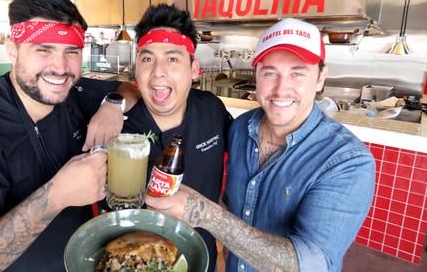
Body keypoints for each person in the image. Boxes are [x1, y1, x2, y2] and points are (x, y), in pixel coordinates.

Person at [0, 0, 139, 271]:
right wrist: (56, 196)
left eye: (71, 52)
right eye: (43, 50)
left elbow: (129, 87)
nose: (60, 68)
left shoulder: (73, 95)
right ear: (12, 49)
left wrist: (113, 105)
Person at [147, 18, 375, 271]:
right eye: (270, 72)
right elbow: (233, 206)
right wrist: (116, 99)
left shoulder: (348, 161)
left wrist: (205, 214)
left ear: (321, 77)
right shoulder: (240, 129)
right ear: (256, 74)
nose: (281, 89)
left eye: (297, 73)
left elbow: (311, 264)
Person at [121, 3, 232, 271]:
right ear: (136, 69)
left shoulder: (211, 110)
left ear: (194, 69)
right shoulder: (117, 127)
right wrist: (112, 101)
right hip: (132, 260)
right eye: (147, 59)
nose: (158, 72)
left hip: (198, 258)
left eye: (172, 59)